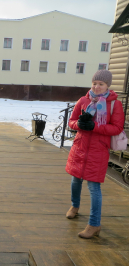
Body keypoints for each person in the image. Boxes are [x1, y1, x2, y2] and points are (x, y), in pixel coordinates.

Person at [65, 70, 124, 239]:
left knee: (93, 187)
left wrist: (94, 127)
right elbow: (71, 121)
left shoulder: (114, 104)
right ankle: (74, 206)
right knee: (75, 179)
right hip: (80, 147)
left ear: (108, 86)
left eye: (101, 84)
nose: (97, 87)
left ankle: (94, 224)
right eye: (94, 83)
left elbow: (117, 128)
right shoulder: (83, 100)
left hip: (98, 149)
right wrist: (80, 124)